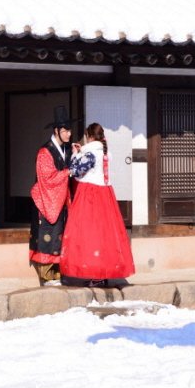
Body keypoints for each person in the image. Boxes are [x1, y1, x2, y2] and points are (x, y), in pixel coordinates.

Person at [60, 122, 136, 287]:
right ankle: (103, 272)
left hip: (90, 195)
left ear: (89, 136)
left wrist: (75, 155)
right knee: (105, 235)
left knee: (89, 234)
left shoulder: (91, 153)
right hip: (105, 195)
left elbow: (76, 171)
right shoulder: (104, 152)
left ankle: (95, 273)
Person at [29, 105, 76, 286]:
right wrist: (67, 172)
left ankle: (57, 274)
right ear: (56, 131)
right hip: (46, 198)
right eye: (65, 131)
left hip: (60, 199)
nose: (69, 134)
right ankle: (47, 275)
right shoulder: (45, 152)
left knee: (59, 235)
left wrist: (75, 155)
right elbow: (47, 177)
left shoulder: (67, 149)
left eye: (69, 130)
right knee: (47, 235)